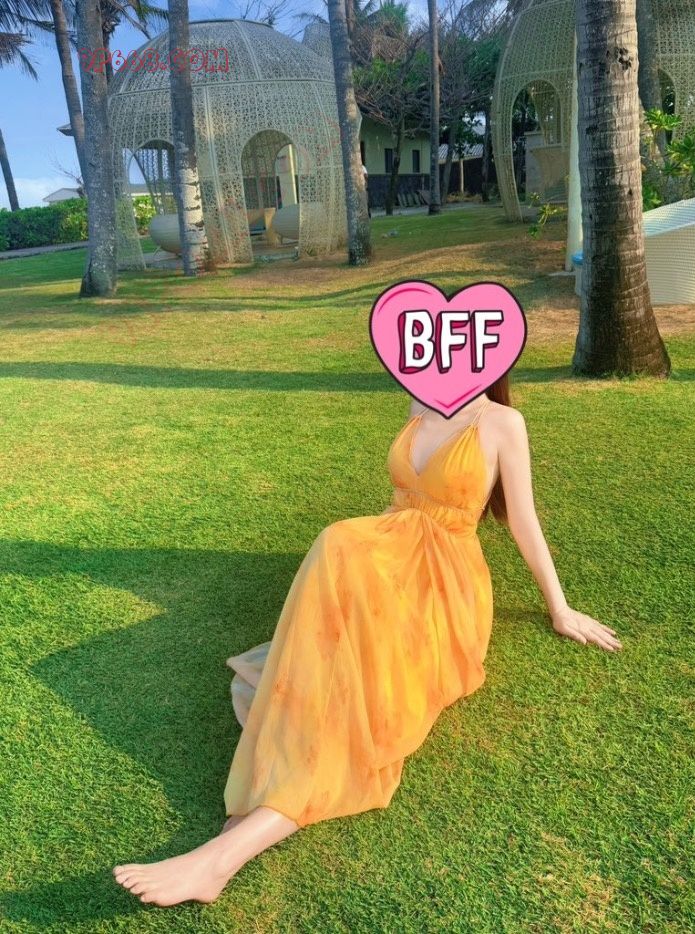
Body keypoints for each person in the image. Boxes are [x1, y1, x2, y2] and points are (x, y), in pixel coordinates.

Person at [113, 377, 622, 907]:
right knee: (336, 561)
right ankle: (226, 848)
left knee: (351, 697)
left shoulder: (501, 422)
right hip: (387, 557)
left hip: (444, 585)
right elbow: (405, 501)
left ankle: (221, 857)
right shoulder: (419, 400)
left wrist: (559, 608)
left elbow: (523, 520)